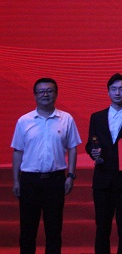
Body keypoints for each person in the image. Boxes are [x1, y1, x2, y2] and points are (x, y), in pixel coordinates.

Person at [11, 77, 82, 254]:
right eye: (41, 91)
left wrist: (70, 175)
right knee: (28, 229)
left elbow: (73, 148)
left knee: (54, 229)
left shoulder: (66, 119)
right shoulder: (24, 121)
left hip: (55, 180)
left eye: (49, 91)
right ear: (35, 95)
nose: (45, 94)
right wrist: (16, 181)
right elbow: (18, 151)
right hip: (29, 180)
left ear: (56, 94)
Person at [85, 73, 122, 254]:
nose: (117, 92)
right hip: (103, 179)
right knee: (102, 226)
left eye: (121, 89)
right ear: (108, 92)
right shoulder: (97, 117)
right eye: (113, 89)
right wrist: (93, 152)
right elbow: (90, 143)